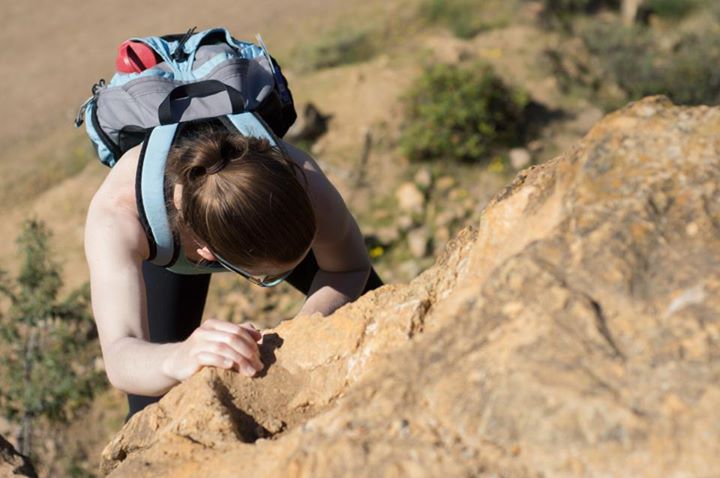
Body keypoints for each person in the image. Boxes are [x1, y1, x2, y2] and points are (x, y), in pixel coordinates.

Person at [84, 119, 383, 421]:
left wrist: (302, 328)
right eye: (268, 278)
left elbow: (349, 268)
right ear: (207, 254)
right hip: (169, 243)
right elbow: (121, 355)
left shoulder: (304, 179)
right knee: (147, 403)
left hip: (249, 222)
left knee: (373, 310)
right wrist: (180, 357)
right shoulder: (118, 218)